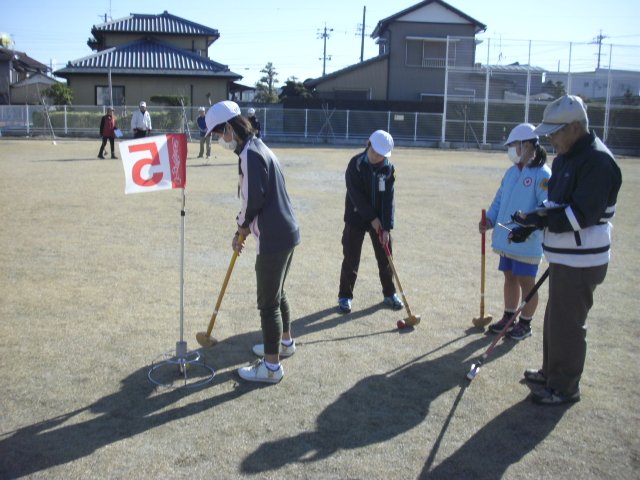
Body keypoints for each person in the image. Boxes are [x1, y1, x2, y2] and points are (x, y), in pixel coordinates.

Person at [509, 95, 622, 405]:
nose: (550, 138)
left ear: (575, 127)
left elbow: (579, 216)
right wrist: (532, 222)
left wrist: (538, 219)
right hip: (563, 255)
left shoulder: (599, 162)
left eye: (555, 132)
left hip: (583, 260)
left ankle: (564, 387)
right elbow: (555, 204)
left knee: (569, 324)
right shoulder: (564, 158)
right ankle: (550, 373)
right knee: (556, 318)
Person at [205, 100, 301, 384]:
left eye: (219, 134)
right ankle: (284, 344)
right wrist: (244, 228)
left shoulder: (249, 154)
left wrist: (241, 229)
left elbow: (253, 199)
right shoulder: (260, 146)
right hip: (287, 230)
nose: (220, 140)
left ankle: (271, 367)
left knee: (268, 303)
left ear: (230, 129)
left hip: (275, 235)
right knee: (278, 293)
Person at [480, 123, 551, 341]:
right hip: (506, 239)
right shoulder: (511, 172)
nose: (511, 150)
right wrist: (490, 219)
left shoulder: (542, 174)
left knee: (526, 281)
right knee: (509, 277)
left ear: (527, 145)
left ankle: (525, 324)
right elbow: (500, 199)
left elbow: (546, 208)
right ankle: (509, 317)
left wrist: (529, 225)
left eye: (513, 146)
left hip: (527, 241)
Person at [337, 130, 403, 314]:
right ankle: (345, 296)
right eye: (375, 152)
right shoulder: (355, 164)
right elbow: (355, 196)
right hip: (356, 217)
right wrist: (372, 219)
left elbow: (389, 200)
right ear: (368, 144)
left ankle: (390, 294)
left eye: (381, 154)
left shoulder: (388, 169)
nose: (377, 157)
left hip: (380, 220)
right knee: (351, 258)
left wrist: (386, 227)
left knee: (386, 258)